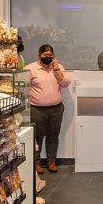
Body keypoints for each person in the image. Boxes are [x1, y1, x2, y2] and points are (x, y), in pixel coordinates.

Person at [27, 45, 70, 173]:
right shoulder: (30, 68)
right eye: (45, 55)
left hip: (56, 109)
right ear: (39, 55)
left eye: (50, 55)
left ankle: (51, 161)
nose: (48, 57)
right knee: (37, 137)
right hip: (37, 109)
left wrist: (56, 68)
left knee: (53, 136)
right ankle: (36, 162)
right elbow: (22, 86)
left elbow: (65, 83)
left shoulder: (58, 67)